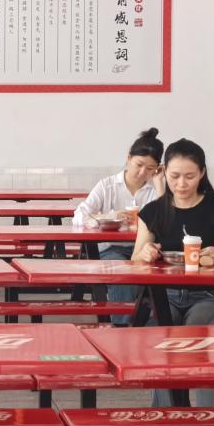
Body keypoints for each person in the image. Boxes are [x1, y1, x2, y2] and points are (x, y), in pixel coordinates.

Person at [132, 138, 214, 426]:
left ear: (202, 173)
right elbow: (135, 258)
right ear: (164, 173)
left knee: (201, 338)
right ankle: (166, 416)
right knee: (162, 334)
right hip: (164, 295)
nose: (181, 184)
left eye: (189, 176)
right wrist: (145, 253)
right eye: (174, 176)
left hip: (208, 295)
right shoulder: (153, 211)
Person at [73, 127, 165, 325]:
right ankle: (122, 328)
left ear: (158, 169)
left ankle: (146, 326)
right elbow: (79, 216)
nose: (142, 173)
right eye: (139, 165)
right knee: (124, 274)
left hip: (145, 249)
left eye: (150, 169)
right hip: (110, 249)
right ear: (129, 158)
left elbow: (168, 219)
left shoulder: (155, 190)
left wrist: (160, 185)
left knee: (161, 275)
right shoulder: (107, 186)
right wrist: (109, 217)